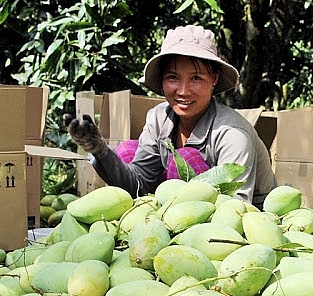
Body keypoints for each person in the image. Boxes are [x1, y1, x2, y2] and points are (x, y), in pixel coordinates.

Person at [65, 25, 277, 209]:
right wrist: (100, 151)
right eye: (173, 77)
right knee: (126, 152)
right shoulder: (158, 118)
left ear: (214, 78)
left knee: (184, 159)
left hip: (237, 216)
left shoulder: (232, 134)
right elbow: (138, 184)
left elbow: (236, 209)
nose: (183, 91)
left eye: (196, 78)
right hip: (179, 209)